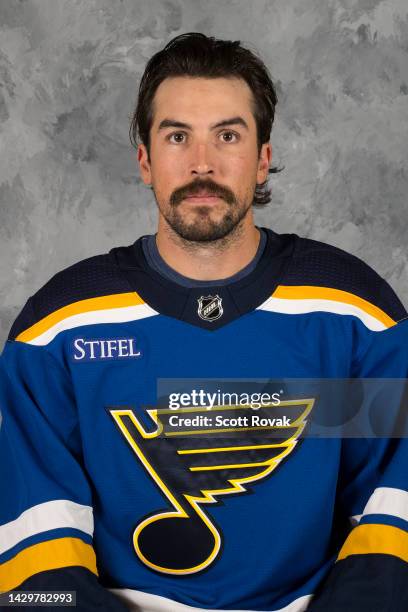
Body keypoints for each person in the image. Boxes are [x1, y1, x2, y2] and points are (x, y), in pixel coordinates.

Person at [0, 32, 407, 612]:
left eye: (228, 134)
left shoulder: (350, 314)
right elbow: (32, 572)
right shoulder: (60, 329)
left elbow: (391, 517)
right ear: (145, 159)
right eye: (176, 136)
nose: (202, 164)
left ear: (262, 157)